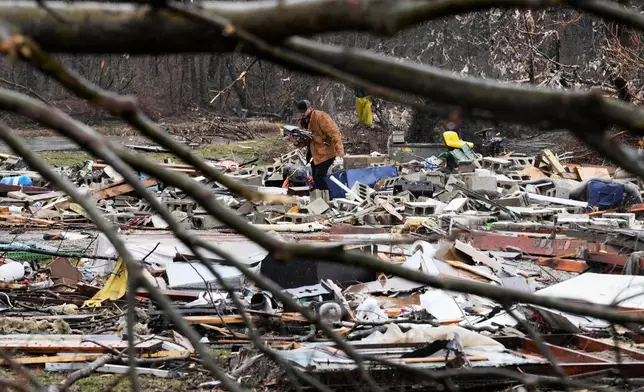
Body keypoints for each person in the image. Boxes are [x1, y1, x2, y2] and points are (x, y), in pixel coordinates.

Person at [293, 100, 344, 190]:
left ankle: (328, 198)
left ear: (310, 108)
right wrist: (295, 141)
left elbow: (334, 132)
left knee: (319, 177)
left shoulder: (321, 116)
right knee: (316, 178)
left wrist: (340, 150)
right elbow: (305, 141)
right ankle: (319, 196)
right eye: (300, 111)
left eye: (304, 111)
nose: (302, 113)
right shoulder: (302, 122)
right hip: (316, 156)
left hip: (327, 152)